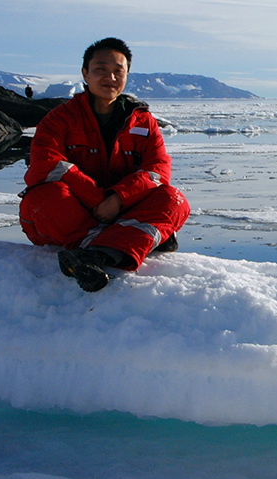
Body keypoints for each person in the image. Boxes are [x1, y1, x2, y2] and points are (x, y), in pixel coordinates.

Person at [19, 37, 190, 292]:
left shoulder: (143, 122)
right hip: (77, 213)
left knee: (174, 200)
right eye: (100, 69)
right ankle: (128, 242)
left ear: (127, 76)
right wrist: (98, 200)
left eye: (118, 71)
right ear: (85, 74)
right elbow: (44, 165)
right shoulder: (61, 119)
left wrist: (119, 199)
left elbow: (158, 170)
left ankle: (93, 256)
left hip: (120, 208)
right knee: (42, 198)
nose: (109, 77)